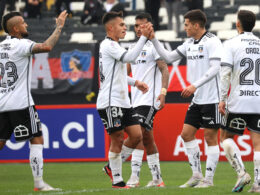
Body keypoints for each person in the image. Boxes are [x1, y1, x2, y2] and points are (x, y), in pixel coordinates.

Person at [150, 9, 223, 188]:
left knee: (210, 138)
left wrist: (194, 85)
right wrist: (153, 39)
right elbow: (168, 57)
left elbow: (215, 68)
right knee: (186, 134)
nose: (185, 27)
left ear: (196, 25)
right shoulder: (189, 42)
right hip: (197, 99)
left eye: (187, 24)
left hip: (213, 98)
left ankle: (209, 180)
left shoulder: (212, 41)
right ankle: (197, 174)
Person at [0, 10, 68, 191]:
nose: (26, 25)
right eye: (23, 22)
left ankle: (40, 183)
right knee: (36, 138)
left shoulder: (1, 46)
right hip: (21, 103)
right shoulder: (21, 45)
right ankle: (39, 183)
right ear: (15, 28)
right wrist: (59, 26)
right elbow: (46, 47)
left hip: (2, 103)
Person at [97, 11, 152, 188]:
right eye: (121, 25)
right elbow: (129, 58)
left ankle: (111, 167)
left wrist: (135, 82)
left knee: (137, 136)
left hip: (123, 101)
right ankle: (118, 181)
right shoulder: (108, 45)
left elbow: (119, 75)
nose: (125, 27)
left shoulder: (115, 47)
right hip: (110, 101)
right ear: (110, 27)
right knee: (118, 139)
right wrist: (143, 38)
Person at [120, 12, 169, 188]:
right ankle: (157, 179)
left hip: (150, 99)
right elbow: (123, 74)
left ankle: (134, 177)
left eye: (142, 25)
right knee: (147, 139)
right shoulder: (132, 49)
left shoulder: (154, 46)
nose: (139, 28)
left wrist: (163, 92)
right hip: (135, 101)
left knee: (138, 133)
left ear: (150, 26)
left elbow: (164, 70)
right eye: (136, 25)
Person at [219, 10, 260, 193]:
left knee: (226, 138)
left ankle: (241, 172)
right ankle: (258, 184)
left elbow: (225, 73)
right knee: (258, 143)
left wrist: (222, 99)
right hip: (258, 100)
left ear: (238, 24)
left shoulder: (230, 44)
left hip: (238, 100)